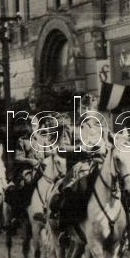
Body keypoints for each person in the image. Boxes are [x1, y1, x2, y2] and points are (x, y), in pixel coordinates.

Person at [49, 92, 109, 243]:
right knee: (75, 190)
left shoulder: (100, 126)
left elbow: (108, 144)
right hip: (79, 167)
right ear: (80, 108)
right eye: (84, 107)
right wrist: (80, 149)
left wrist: (105, 148)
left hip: (100, 164)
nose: (87, 110)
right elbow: (61, 148)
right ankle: (66, 229)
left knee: (118, 184)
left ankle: (126, 228)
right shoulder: (71, 127)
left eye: (91, 107)